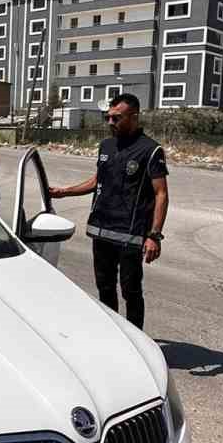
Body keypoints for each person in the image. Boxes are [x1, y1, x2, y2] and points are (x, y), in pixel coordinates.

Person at [50, 93, 168, 330]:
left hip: (130, 234)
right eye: (108, 118)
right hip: (101, 230)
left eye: (117, 118)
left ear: (133, 117)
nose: (110, 123)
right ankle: (113, 334)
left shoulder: (150, 150)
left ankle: (136, 338)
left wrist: (154, 235)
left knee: (131, 291)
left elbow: (161, 194)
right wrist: (65, 192)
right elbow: (97, 180)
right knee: (104, 287)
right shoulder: (106, 146)